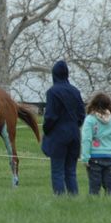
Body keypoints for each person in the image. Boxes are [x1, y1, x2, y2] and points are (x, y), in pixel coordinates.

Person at [41, 60, 86, 195]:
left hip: (58, 135)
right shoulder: (75, 91)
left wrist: (46, 130)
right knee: (71, 171)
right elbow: (81, 114)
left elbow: (50, 116)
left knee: (57, 171)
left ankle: (60, 199)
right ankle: (73, 198)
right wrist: (74, 126)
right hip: (74, 135)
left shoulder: (52, 92)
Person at [81, 92, 111, 196]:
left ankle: (93, 203)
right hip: (109, 155)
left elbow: (87, 139)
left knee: (94, 185)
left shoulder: (90, 119)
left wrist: (85, 157)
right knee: (109, 184)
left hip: (94, 156)